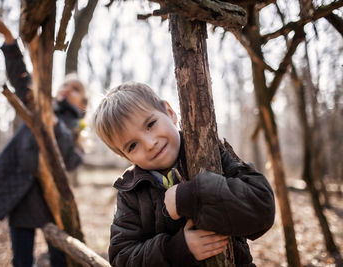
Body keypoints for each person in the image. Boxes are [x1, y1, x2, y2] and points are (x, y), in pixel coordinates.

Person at [93, 82, 275, 266]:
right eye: (132, 145)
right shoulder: (131, 192)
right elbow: (121, 258)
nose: (149, 143)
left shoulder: (212, 151)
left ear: (169, 112)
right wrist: (176, 250)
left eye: (150, 124)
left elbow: (262, 209)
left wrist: (191, 196)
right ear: (125, 156)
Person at [0, 12, 87, 267]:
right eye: (64, 86)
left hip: (52, 199)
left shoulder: (77, 128)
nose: (67, 90)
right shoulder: (42, 106)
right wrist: (10, 40)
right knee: (21, 259)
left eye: (75, 88)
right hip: (22, 193)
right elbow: (23, 82)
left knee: (60, 257)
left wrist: (57, 127)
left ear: (84, 102)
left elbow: (71, 161)